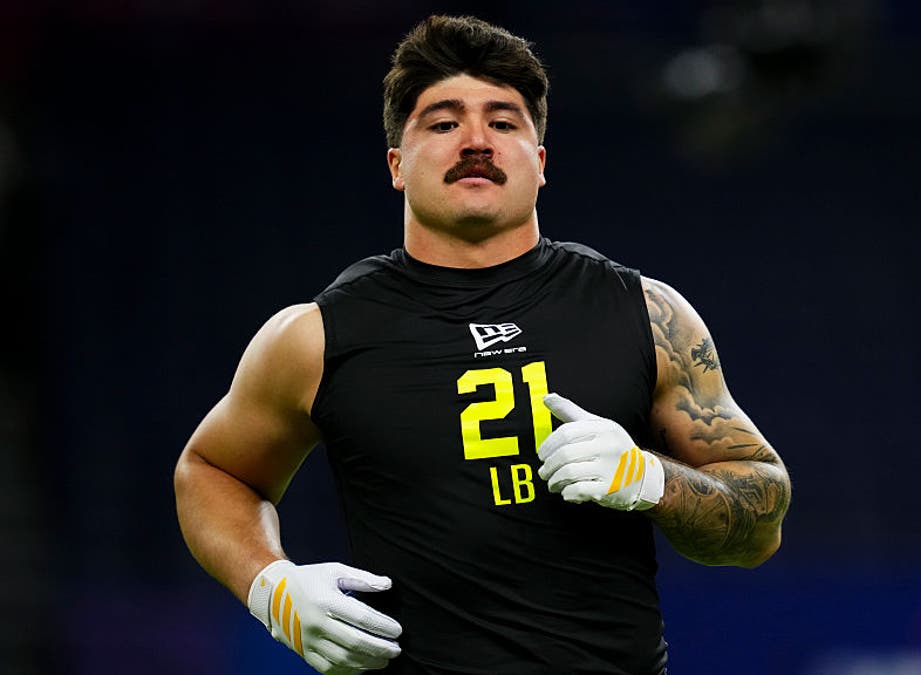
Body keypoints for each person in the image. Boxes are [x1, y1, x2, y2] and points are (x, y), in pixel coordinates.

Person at [174, 14, 790, 675]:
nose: (475, 141)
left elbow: (759, 524)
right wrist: (270, 585)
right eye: (443, 124)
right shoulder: (317, 336)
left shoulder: (644, 313)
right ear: (396, 164)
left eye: (503, 122)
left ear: (540, 162)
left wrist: (651, 479)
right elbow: (210, 471)